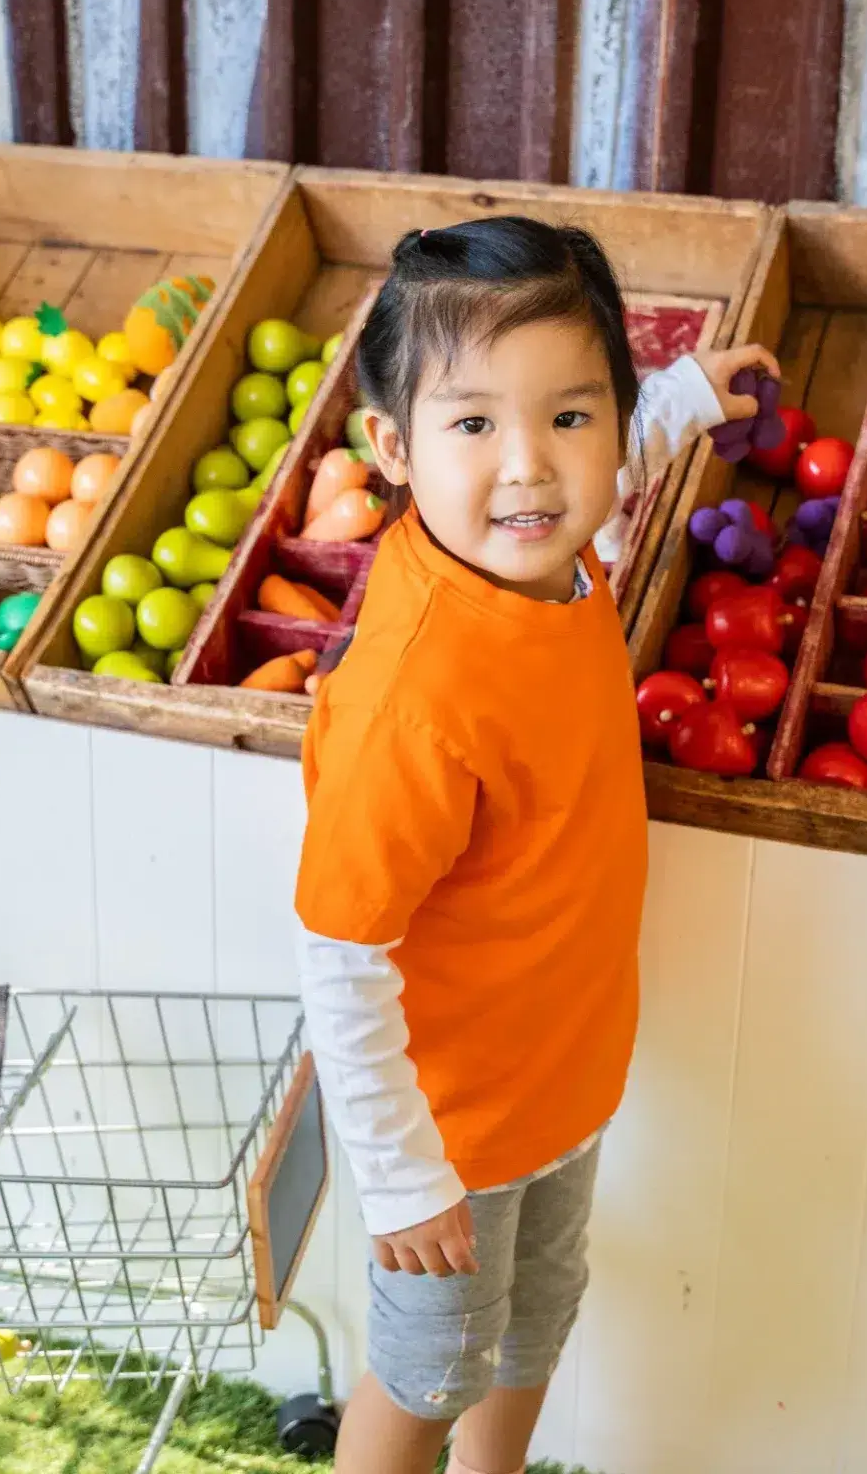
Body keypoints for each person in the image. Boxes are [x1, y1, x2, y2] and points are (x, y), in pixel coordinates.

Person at [294, 215, 778, 1474]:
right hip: (451, 1126)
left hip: (564, 1079)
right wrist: (400, 1176)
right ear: (393, 448)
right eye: (472, 427)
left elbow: (597, 486)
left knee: (530, 1328)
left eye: (571, 418)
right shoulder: (417, 695)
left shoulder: (560, 571)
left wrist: (674, 399)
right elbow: (341, 952)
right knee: (428, 1368)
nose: (529, 470)